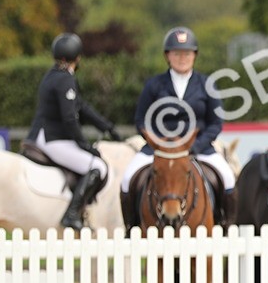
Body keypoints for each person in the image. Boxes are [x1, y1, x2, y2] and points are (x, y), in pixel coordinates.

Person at [119, 27, 236, 228]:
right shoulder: (154, 85)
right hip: (159, 149)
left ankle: (226, 226)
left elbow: (215, 123)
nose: (182, 58)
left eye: (187, 53)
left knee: (227, 178)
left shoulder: (206, 84)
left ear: (194, 55)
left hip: (198, 147)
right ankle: (131, 228)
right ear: (167, 56)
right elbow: (141, 120)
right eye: (177, 53)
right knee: (127, 179)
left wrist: (195, 146)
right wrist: (159, 145)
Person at [26, 33, 119, 230]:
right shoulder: (65, 79)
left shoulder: (53, 75)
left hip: (42, 135)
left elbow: (81, 106)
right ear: (78, 57)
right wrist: (84, 145)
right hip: (53, 139)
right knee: (97, 167)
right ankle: (72, 214)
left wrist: (106, 126)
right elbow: (70, 118)